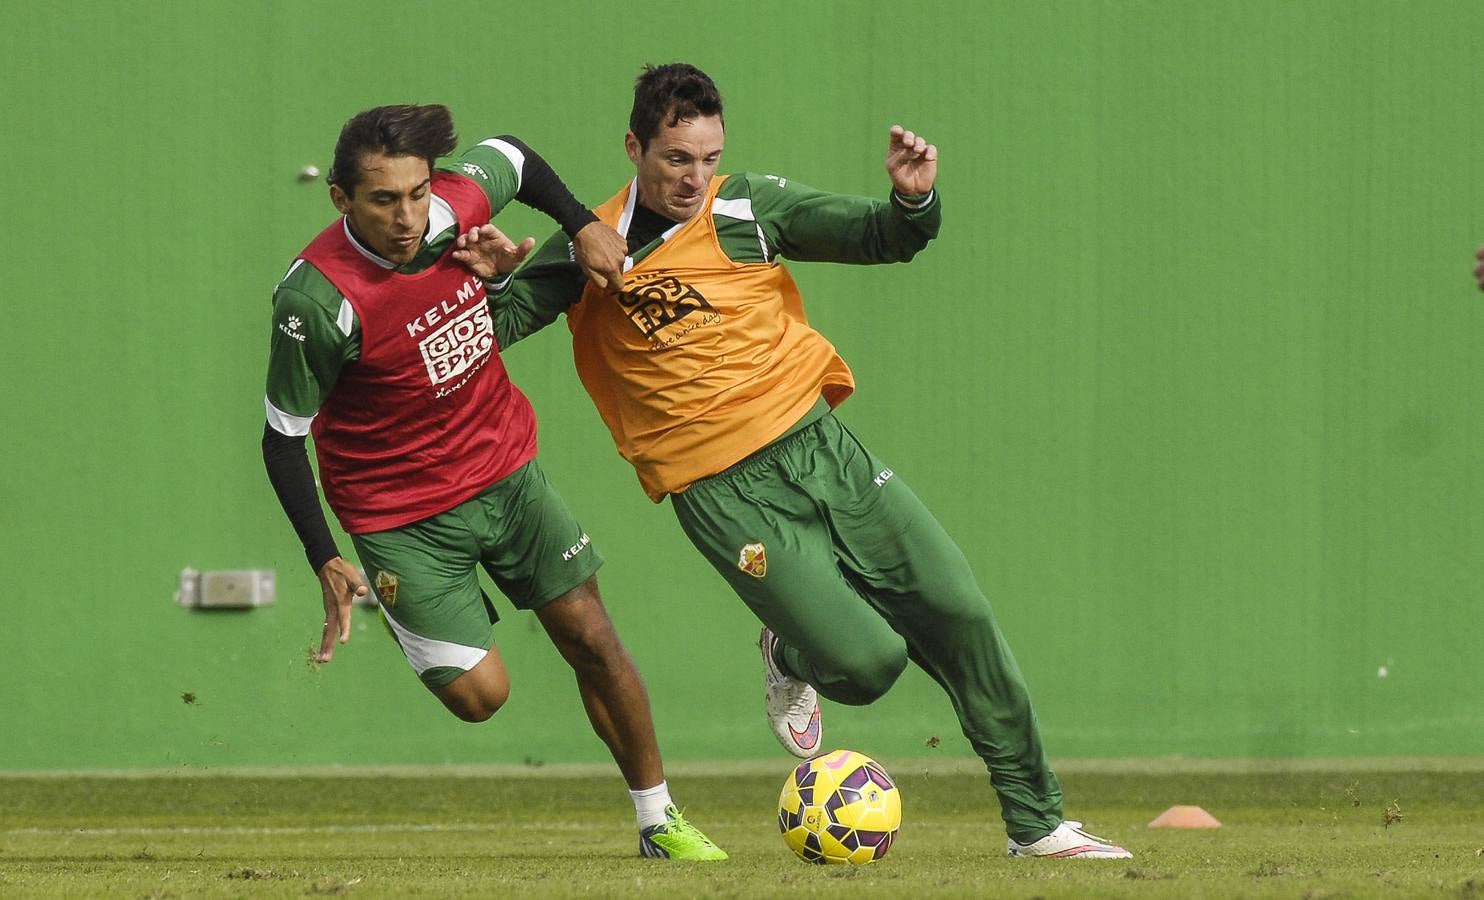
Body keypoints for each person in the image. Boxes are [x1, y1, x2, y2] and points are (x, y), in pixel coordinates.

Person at [465, 64, 1132, 859]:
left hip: (825, 451)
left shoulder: (747, 206)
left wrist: (913, 198)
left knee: (959, 613)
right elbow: (485, 335)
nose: (696, 177)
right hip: (723, 492)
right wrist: (489, 277)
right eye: (678, 157)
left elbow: (884, 238)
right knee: (869, 664)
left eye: (709, 157)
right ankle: (789, 652)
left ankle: (1038, 825)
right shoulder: (591, 246)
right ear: (635, 146)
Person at [260, 103, 724, 861]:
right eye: (383, 200)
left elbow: (515, 152)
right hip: (399, 515)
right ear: (341, 199)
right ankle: (422, 607)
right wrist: (325, 557)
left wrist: (580, 223)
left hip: (506, 472)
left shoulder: (456, 204)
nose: (408, 216)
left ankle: (659, 820)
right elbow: (282, 443)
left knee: (591, 637)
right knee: (482, 699)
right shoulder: (316, 302)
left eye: (417, 193)